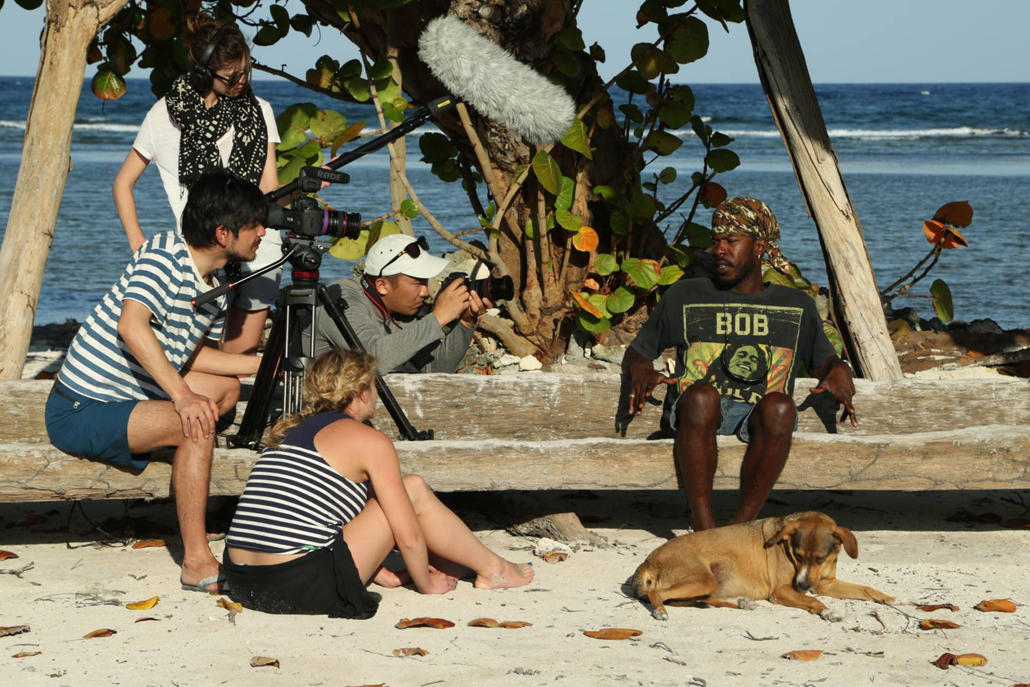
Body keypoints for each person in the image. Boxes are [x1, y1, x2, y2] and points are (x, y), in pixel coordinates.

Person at [46, 172, 266, 592]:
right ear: (223, 233)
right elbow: (133, 325)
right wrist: (182, 397)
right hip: (81, 408)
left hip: (128, 398)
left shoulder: (216, 284)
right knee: (197, 422)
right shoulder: (163, 253)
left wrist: (265, 364)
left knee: (227, 390)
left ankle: (175, 453)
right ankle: (197, 561)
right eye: (254, 224)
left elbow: (187, 350)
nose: (263, 231)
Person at [222, 348, 534, 617]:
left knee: (387, 495)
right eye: (374, 384)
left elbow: (315, 514)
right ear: (360, 392)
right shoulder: (368, 441)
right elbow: (407, 534)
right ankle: (494, 569)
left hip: (243, 580)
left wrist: (380, 571)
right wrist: (426, 586)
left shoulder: (288, 432)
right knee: (411, 489)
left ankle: (471, 562)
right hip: (298, 586)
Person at [623, 197, 857, 531]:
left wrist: (838, 369)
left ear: (759, 247)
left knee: (780, 406)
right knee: (702, 396)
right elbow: (638, 351)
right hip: (698, 416)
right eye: (716, 241)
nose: (719, 249)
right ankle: (704, 528)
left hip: (759, 420)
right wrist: (641, 368)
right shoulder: (686, 295)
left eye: (732, 241)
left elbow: (824, 362)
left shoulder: (795, 304)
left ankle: (739, 528)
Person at [113, 15, 281, 356]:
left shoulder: (260, 110)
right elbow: (123, 183)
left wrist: (306, 189)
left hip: (259, 249)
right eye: (232, 77)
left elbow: (269, 187)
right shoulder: (163, 116)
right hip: (200, 255)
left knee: (239, 357)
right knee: (194, 356)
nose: (242, 82)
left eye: (247, 72)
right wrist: (139, 245)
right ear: (205, 73)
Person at [307, 234, 490, 373]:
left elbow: (433, 369)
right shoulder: (340, 297)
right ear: (382, 285)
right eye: (417, 282)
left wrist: (466, 321)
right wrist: (438, 317)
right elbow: (371, 359)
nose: (425, 292)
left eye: (425, 282)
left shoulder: (396, 311)